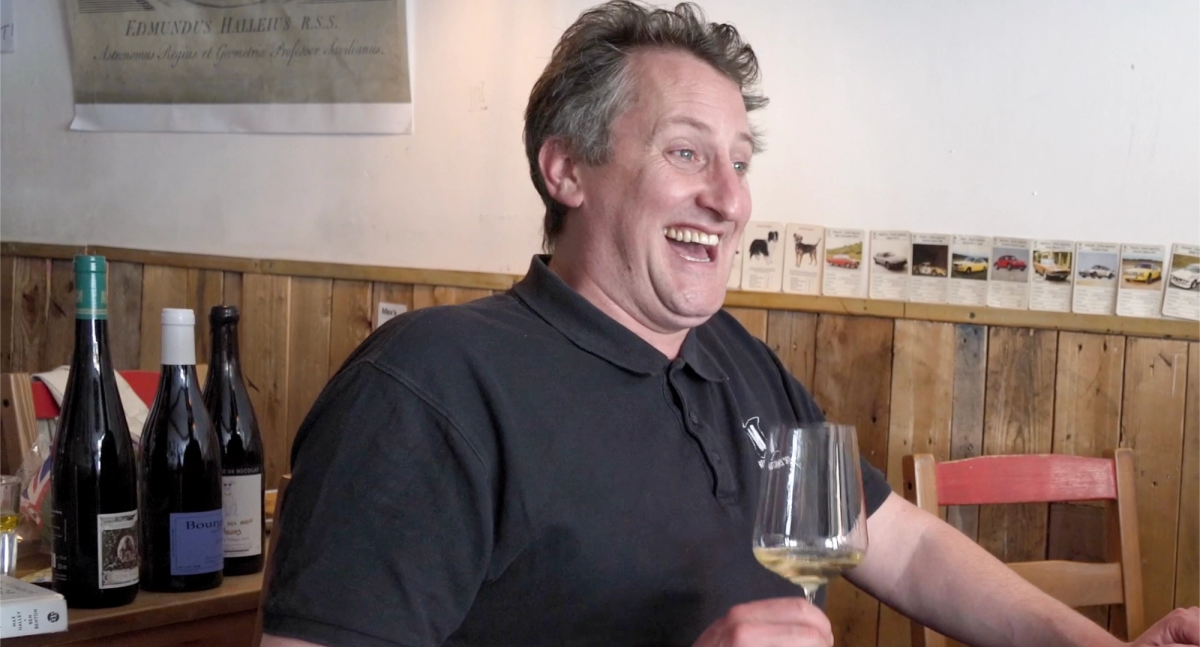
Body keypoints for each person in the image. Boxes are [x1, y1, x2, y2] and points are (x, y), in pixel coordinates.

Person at [262, 3, 1199, 646]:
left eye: (739, 162)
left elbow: (897, 542)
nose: (728, 198)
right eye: (686, 152)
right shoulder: (431, 385)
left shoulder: (731, 360)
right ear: (567, 171)